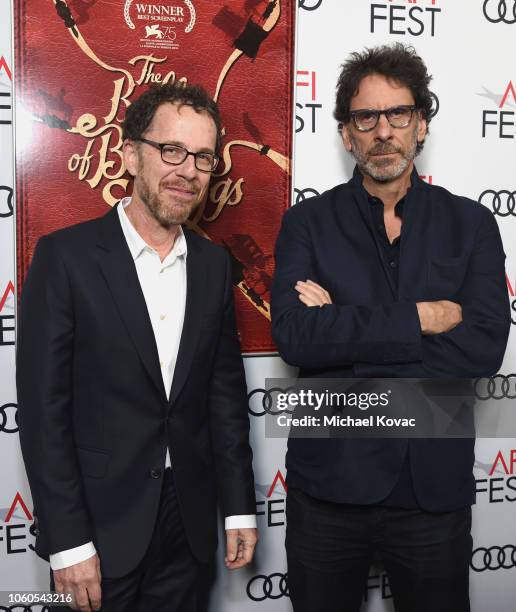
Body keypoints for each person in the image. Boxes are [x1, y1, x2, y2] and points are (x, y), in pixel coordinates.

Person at [271, 43, 510, 612]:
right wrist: (424, 319)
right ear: (346, 133)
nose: (384, 131)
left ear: (421, 124)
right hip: (327, 490)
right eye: (366, 117)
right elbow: (296, 338)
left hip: (432, 490)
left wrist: (343, 331)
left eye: (398, 114)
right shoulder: (306, 223)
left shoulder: (471, 224)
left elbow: (483, 348)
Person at [16, 82, 258, 612]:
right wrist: (68, 543)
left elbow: (224, 398)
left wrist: (239, 509)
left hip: (188, 522)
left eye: (202, 157)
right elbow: (42, 415)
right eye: (171, 150)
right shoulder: (65, 259)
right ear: (130, 153)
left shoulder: (215, 265)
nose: (187, 170)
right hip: (98, 526)